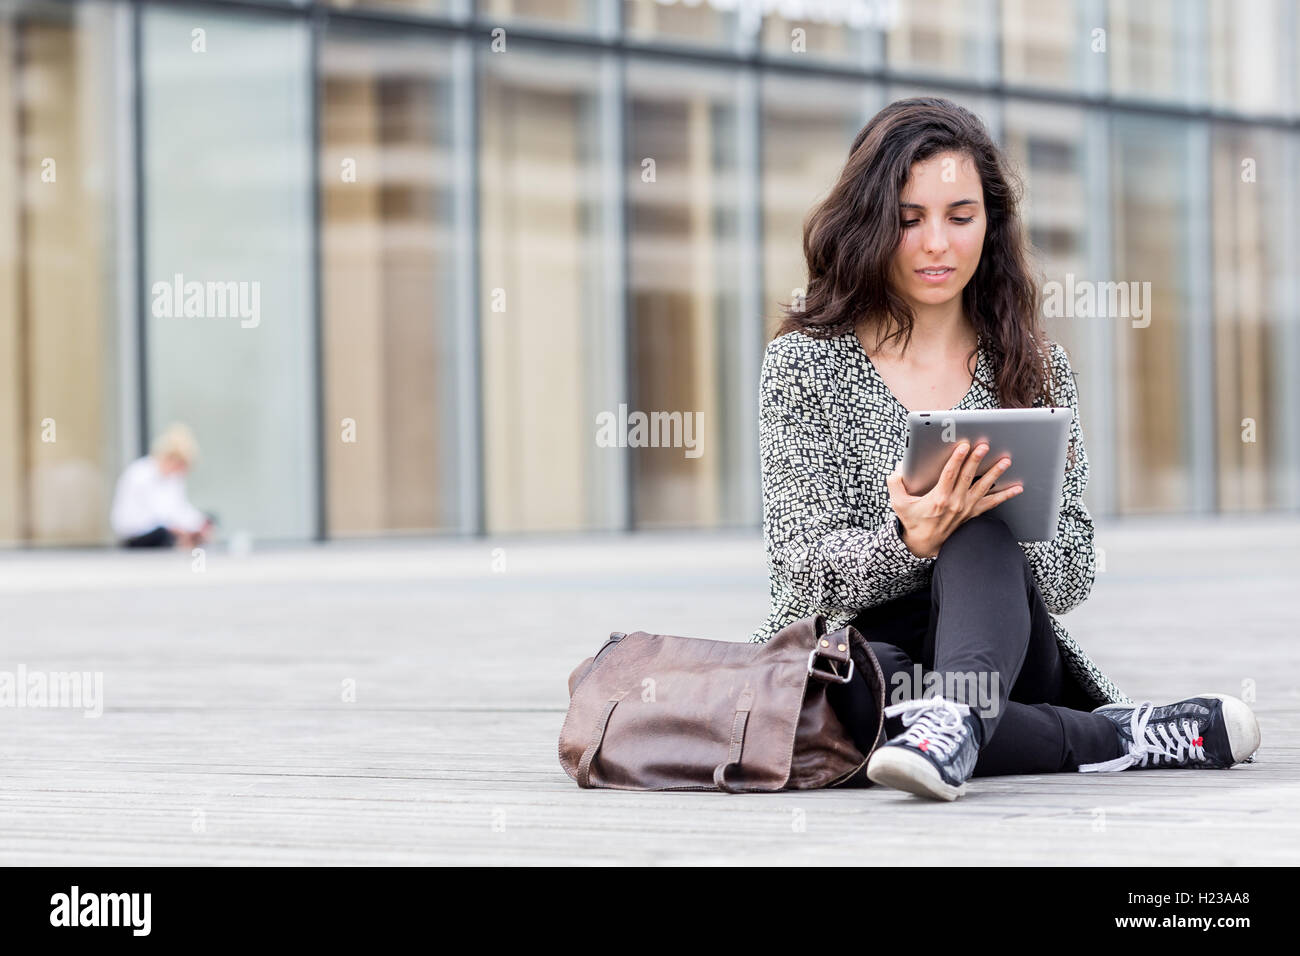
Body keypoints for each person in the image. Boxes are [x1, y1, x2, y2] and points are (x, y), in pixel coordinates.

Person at [751, 96, 1261, 801]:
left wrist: (985, 515)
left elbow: (1073, 575)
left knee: (981, 524)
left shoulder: (1035, 367)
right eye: (909, 220)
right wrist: (910, 541)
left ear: (990, 225)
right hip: (860, 659)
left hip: (1010, 647)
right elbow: (799, 576)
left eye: (960, 217)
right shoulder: (806, 367)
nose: (938, 243)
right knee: (870, 695)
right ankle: (1114, 737)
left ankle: (954, 722)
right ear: (869, 222)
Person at [110, 423, 215, 550]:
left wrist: (200, 524)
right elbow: (157, 515)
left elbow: (180, 508)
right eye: (180, 465)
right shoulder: (140, 474)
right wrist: (179, 528)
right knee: (164, 534)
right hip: (137, 537)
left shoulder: (173, 479)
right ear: (170, 457)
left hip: (164, 531)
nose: (180, 471)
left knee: (207, 520)